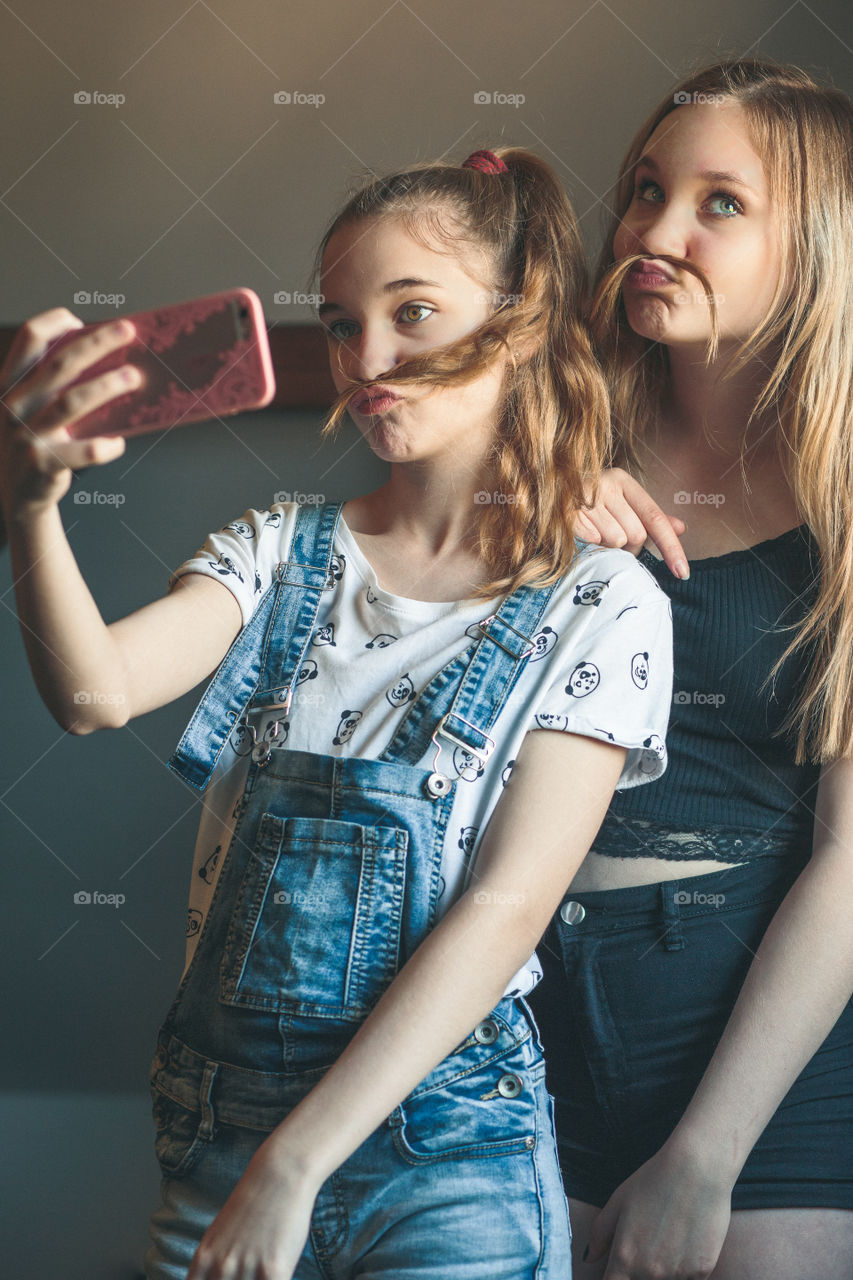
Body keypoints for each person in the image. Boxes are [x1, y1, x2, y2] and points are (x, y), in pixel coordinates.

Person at [0, 147, 674, 1280]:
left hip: (449, 1150)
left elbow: (506, 906)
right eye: (341, 321)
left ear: (516, 323)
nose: (367, 358)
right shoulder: (278, 551)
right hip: (222, 1134)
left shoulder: (602, 601)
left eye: (412, 312)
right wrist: (29, 504)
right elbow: (92, 693)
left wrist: (296, 1162)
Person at [528, 58, 853, 1280]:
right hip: (516, 1000)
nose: (656, 233)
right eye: (647, 189)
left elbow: (851, 855)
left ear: (816, 242)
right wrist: (533, 510)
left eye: (721, 202)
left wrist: (706, 1155)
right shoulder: (551, 434)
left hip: (760, 1040)